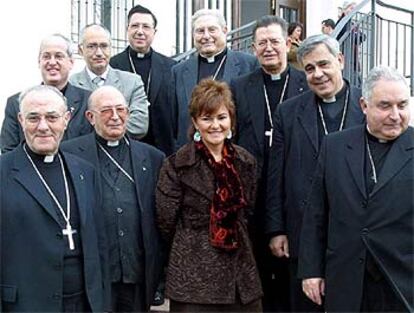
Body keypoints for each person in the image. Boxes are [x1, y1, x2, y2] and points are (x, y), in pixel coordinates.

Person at [299, 66, 413, 312]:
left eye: (402, 105)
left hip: (401, 281)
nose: (395, 115)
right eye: (385, 106)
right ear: (364, 106)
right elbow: (316, 212)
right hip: (346, 277)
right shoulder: (335, 146)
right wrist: (311, 271)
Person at [265, 34, 365, 312]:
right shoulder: (288, 112)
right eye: (309, 69)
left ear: (341, 61)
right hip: (302, 231)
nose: (318, 74)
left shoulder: (366, 106)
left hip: (355, 234)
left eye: (324, 64)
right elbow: (277, 175)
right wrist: (277, 229)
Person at [156, 79, 263, 312]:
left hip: (240, 276)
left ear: (231, 121)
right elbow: (166, 221)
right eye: (207, 118)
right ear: (195, 122)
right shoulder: (176, 165)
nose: (215, 125)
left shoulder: (245, 161)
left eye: (221, 117)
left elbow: (249, 211)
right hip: (193, 276)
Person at [0, 85, 108, 312]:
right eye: (33, 118)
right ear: (20, 120)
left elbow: (99, 244)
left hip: (83, 303)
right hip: (26, 304)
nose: (43, 127)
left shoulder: (85, 171)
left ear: (66, 119)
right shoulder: (3, 172)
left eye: (52, 117)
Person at [61, 86, 165, 312]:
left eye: (121, 109)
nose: (115, 116)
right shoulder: (68, 154)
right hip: (93, 274)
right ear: (90, 117)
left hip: (137, 274)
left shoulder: (153, 157)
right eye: (106, 110)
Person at [231, 15, 308, 312]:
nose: (269, 48)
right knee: (258, 269)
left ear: (287, 43)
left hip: (294, 192)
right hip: (254, 193)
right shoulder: (240, 86)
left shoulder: (304, 83)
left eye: (275, 41)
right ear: (253, 48)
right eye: (261, 43)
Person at [171, 8, 258, 150]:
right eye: (200, 31)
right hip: (191, 155)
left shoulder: (248, 65)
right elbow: (173, 123)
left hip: (234, 154)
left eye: (212, 30)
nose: (206, 36)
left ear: (224, 30)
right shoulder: (178, 71)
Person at [1, 34, 92, 154]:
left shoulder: (89, 101)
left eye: (59, 56)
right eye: (46, 57)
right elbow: (8, 150)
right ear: (39, 62)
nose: (52, 62)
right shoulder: (16, 103)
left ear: (71, 62)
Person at [110, 5, 176, 156]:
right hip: (125, 146)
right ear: (127, 29)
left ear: (154, 32)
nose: (140, 31)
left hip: (162, 147)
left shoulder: (171, 67)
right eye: (135, 26)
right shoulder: (113, 65)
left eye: (146, 26)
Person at [70, 24, 149, 140]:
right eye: (92, 46)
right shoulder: (71, 84)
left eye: (104, 46)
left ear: (110, 48)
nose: (99, 53)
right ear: (80, 50)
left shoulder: (132, 83)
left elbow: (139, 126)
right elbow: (70, 128)